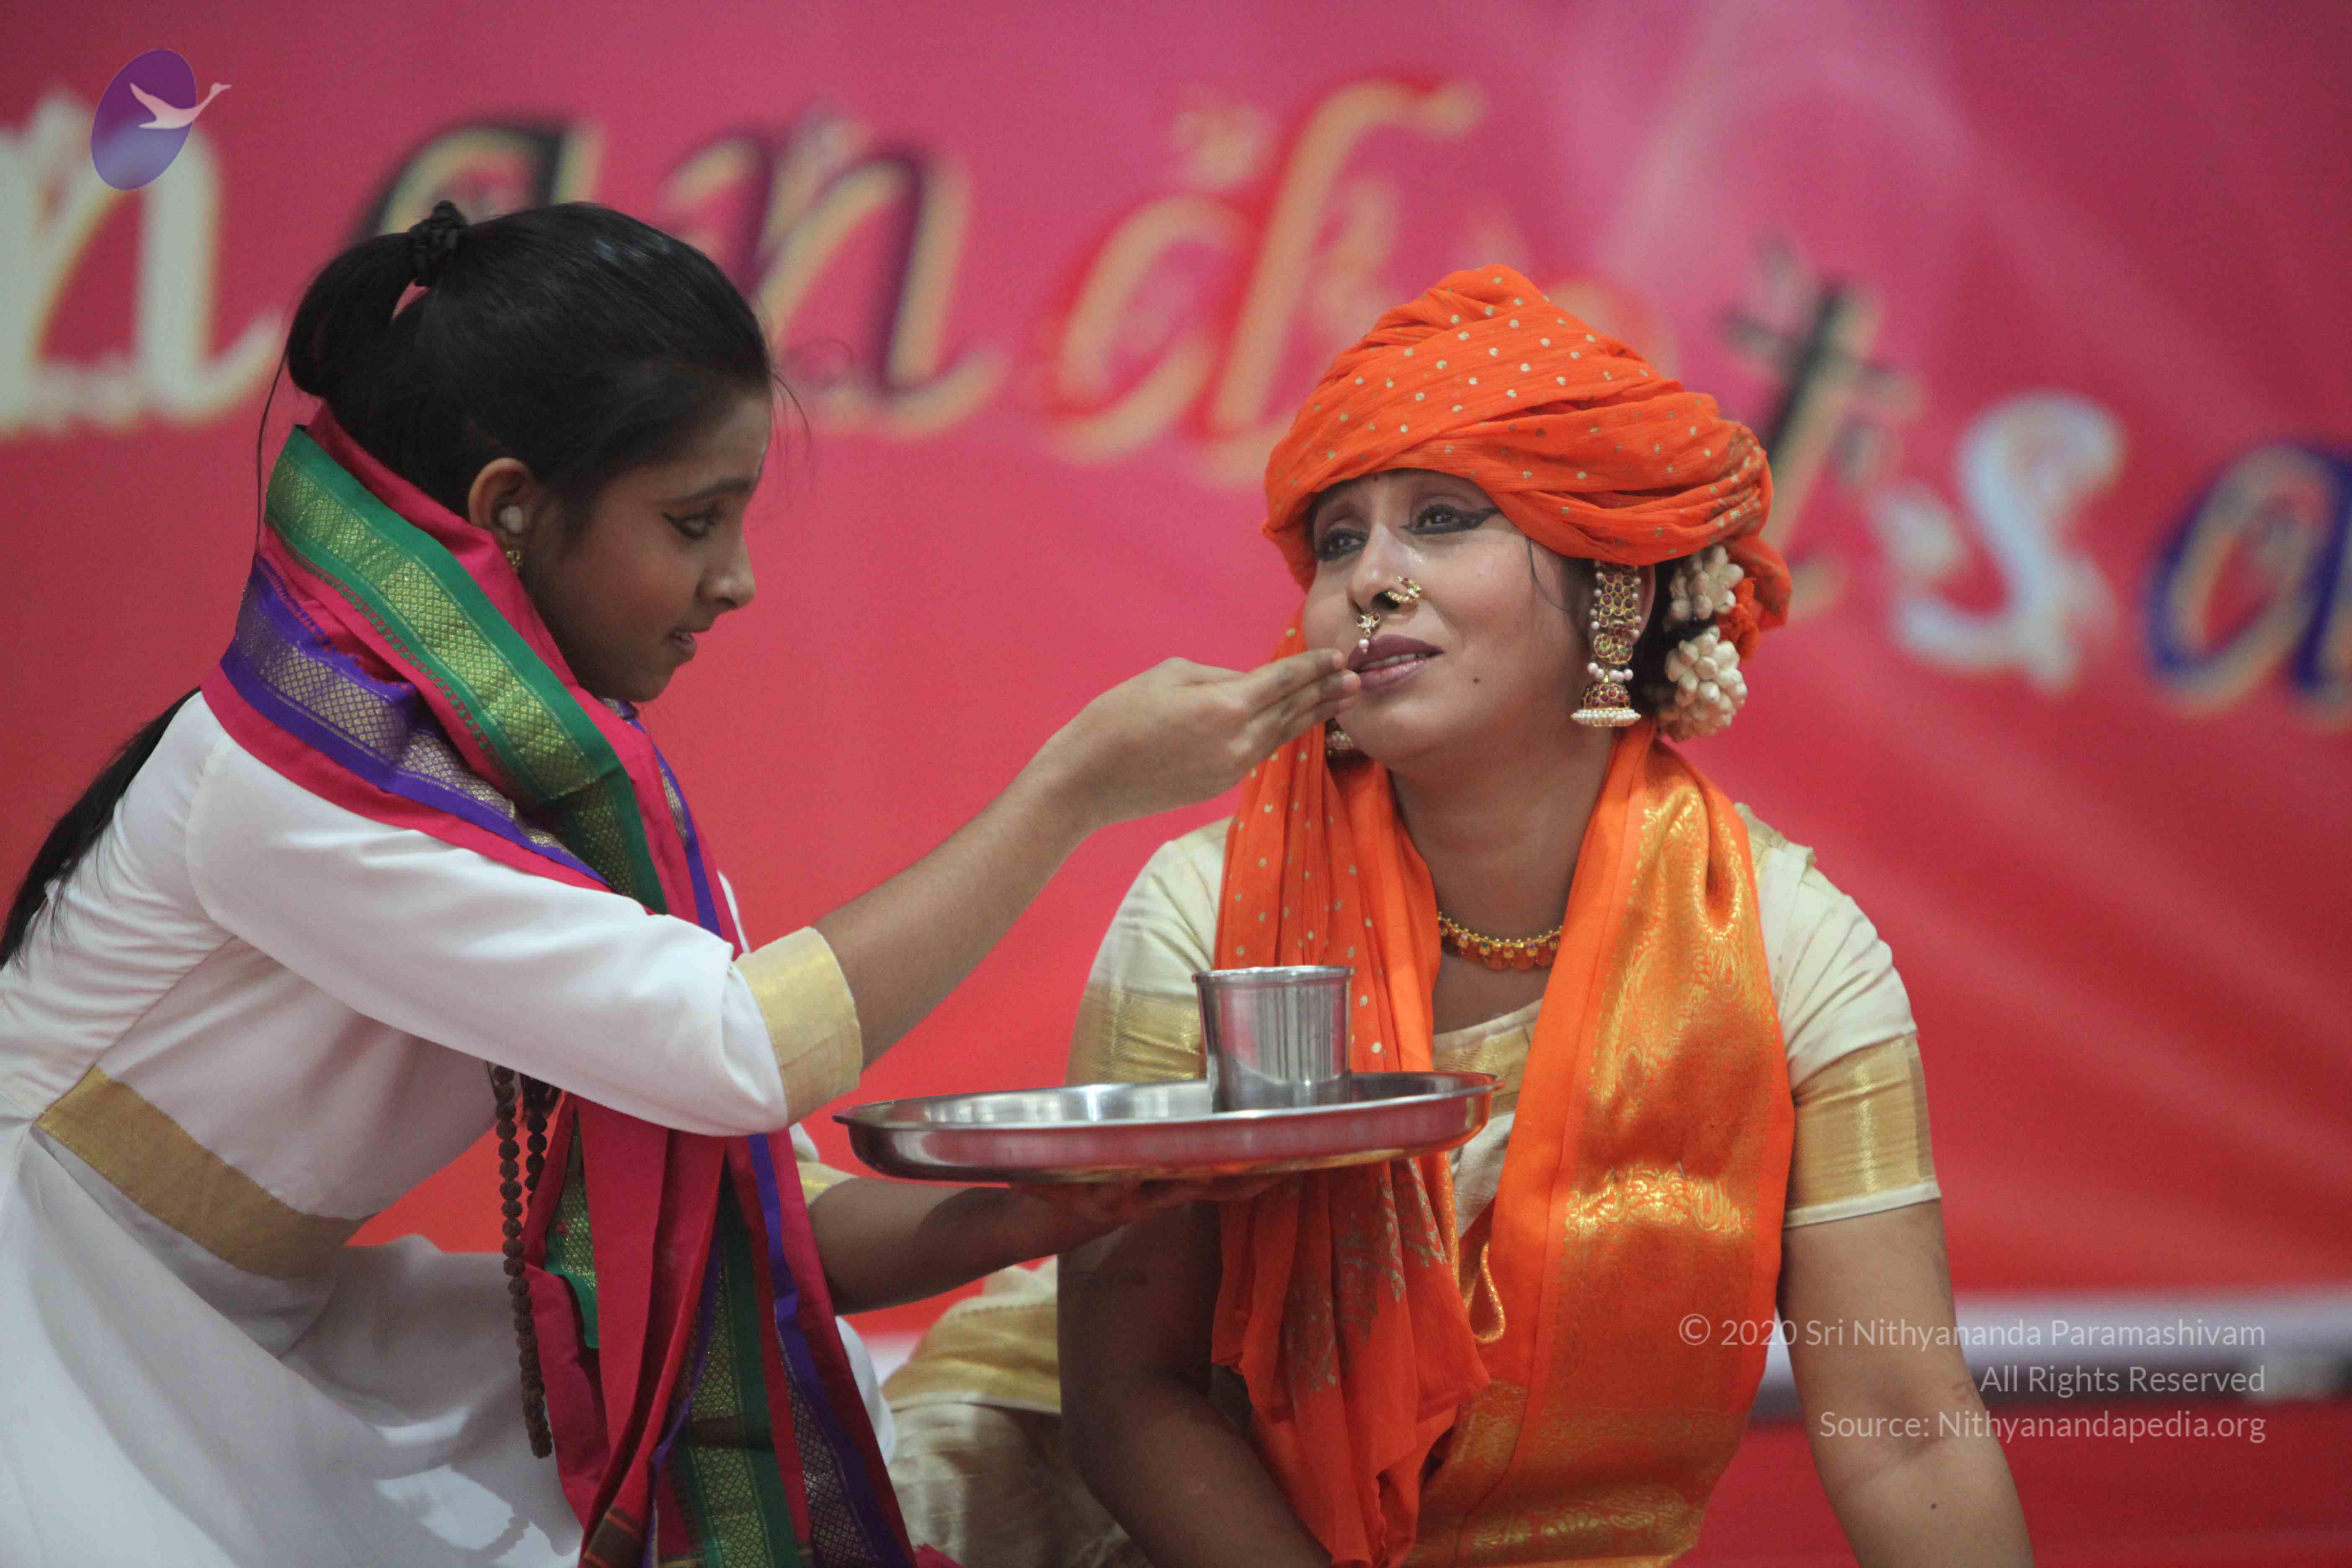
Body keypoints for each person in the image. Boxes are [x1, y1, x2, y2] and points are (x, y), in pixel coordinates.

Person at [0, 200, 1356, 1567]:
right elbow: (737, 1051)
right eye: (694, 522)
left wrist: (1069, 1202)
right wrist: (1070, 792)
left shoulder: (576, 792)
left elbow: (772, 1223)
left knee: (753, 1391)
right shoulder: (296, 776)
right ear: (511, 509)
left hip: (251, 1343)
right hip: (47, 1331)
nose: (738, 581)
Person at [880, 267, 2033, 1566]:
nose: (1373, 579)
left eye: (1442, 519)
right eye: (1338, 540)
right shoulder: (1209, 910)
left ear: (1610, 585)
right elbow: (1132, 1398)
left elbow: (1906, 1428)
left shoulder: (1788, 945)